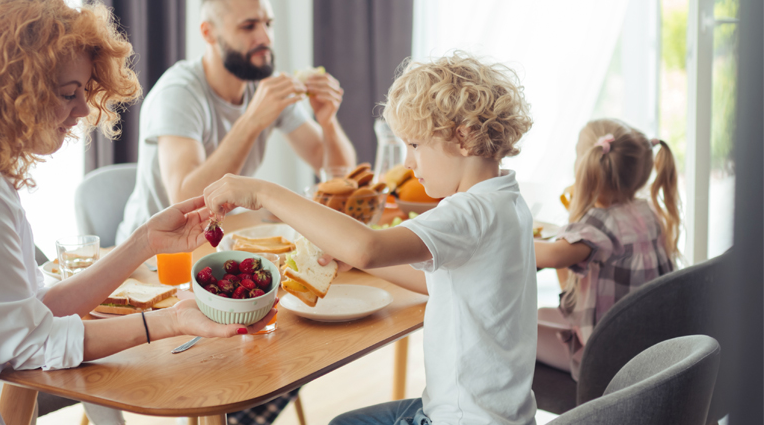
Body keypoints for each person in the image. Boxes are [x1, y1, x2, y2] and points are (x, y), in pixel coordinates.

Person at [0, 0, 273, 425]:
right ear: (11, 92)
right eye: (69, 93)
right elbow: (30, 344)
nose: (84, 109)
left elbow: (32, 311)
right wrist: (169, 322)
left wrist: (145, 241)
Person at [204, 52, 538, 425]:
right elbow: (438, 281)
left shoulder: (469, 213)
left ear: (463, 137)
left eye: (415, 145)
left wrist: (265, 193)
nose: (409, 163)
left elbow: (368, 247)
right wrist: (352, 260)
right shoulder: (506, 202)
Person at [116, 0, 356, 244]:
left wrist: (328, 122)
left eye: (268, 24)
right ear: (208, 33)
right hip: (157, 252)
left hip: (219, 236)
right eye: (248, 26)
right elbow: (185, 200)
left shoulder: (264, 85)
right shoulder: (178, 94)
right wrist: (252, 120)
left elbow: (342, 178)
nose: (265, 37)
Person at [534, 118, 680, 380]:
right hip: (648, 342)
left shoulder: (598, 225)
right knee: (539, 314)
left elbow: (549, 256)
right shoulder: (647, 212)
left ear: (587, 167)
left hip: (608, 358)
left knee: (518, 331)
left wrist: (509, 232)